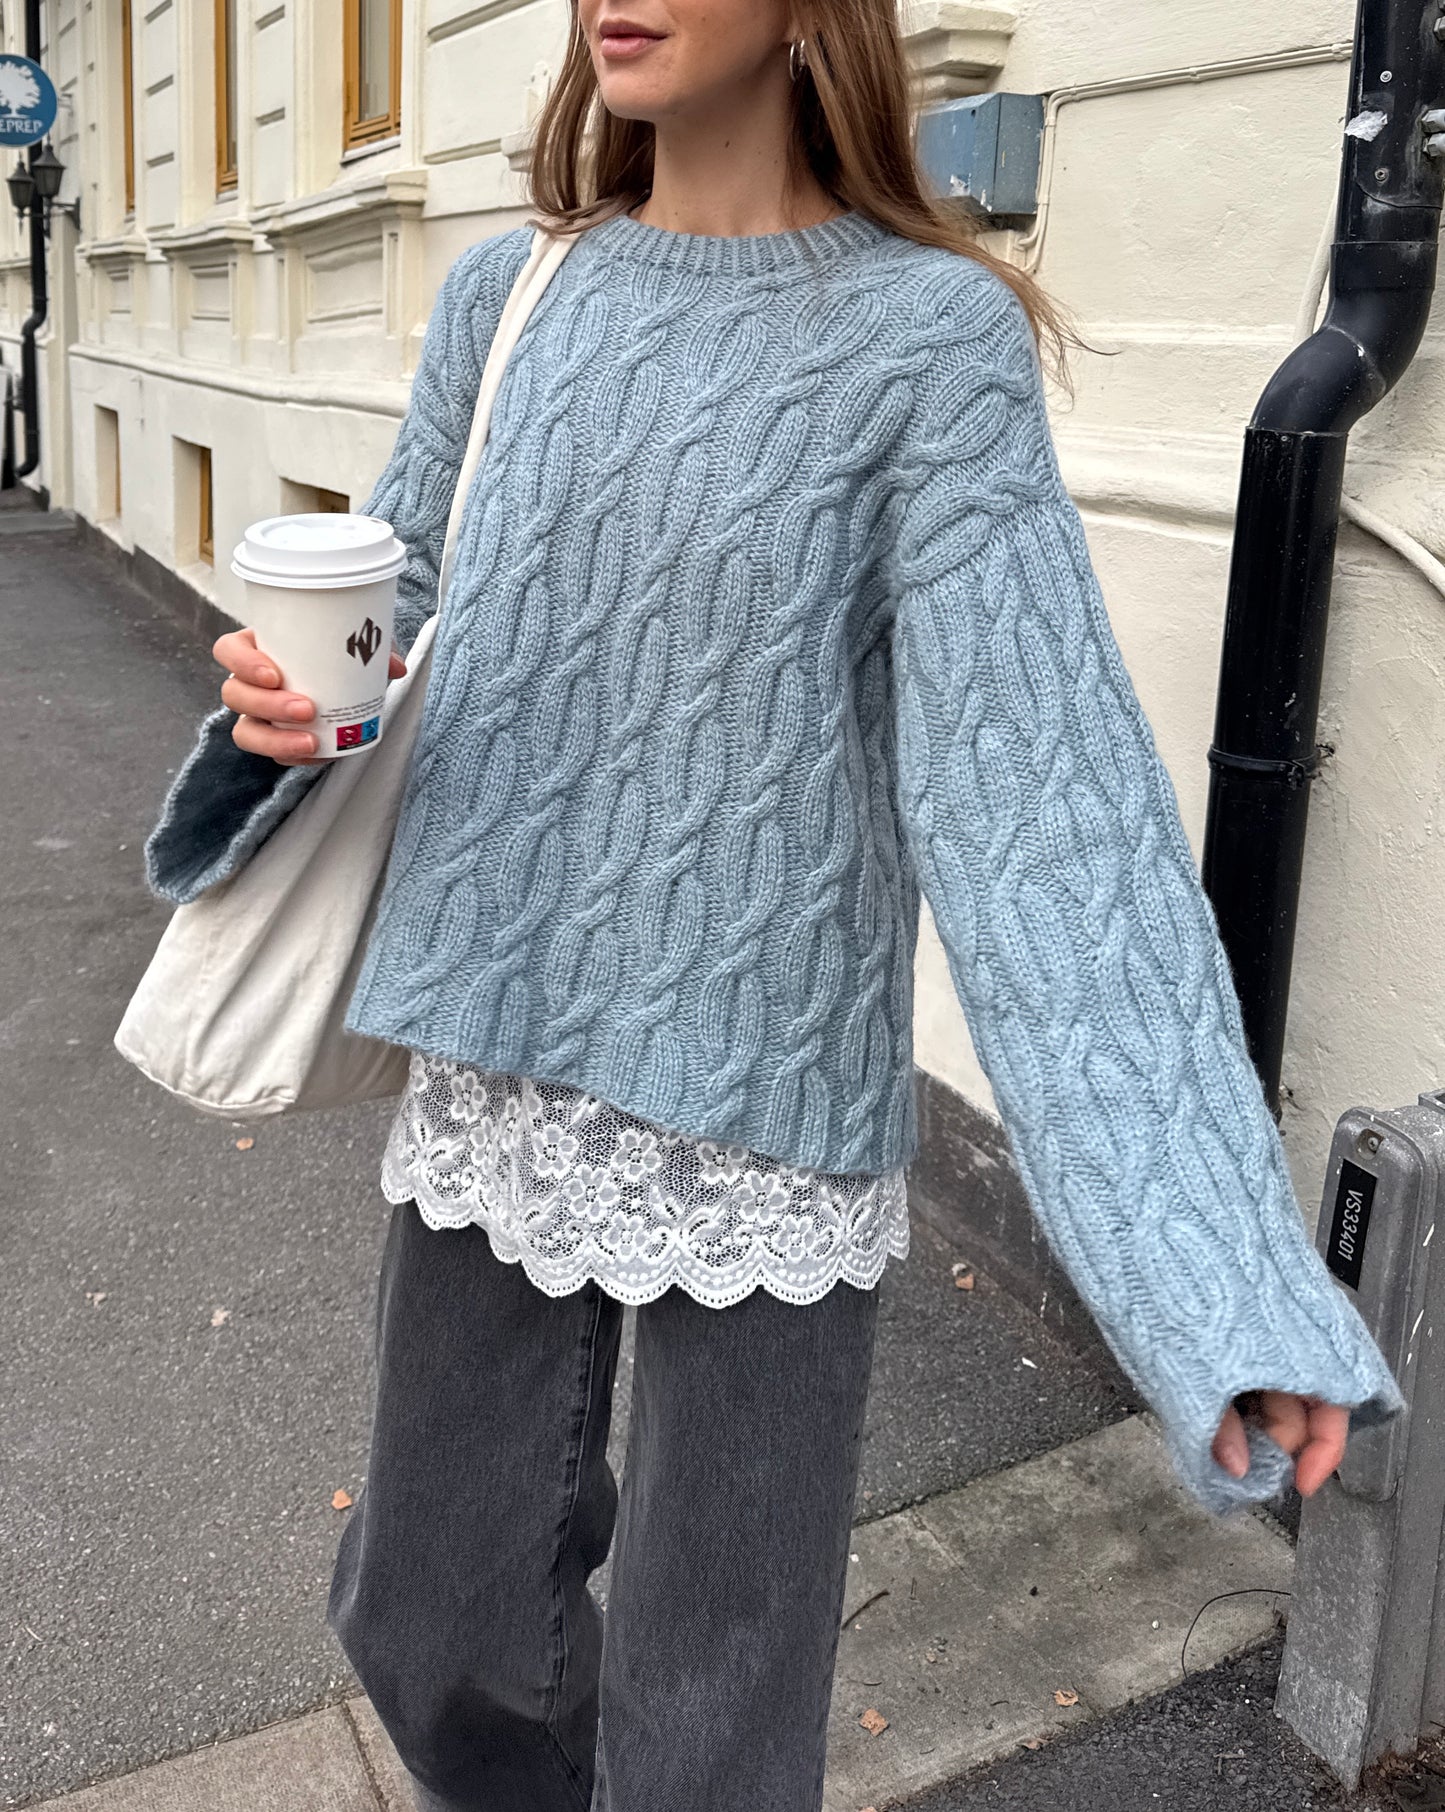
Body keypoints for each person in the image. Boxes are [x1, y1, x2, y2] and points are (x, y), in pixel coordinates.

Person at [142, 2, 1405, 1806]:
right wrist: (287, 703)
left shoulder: (929, 341)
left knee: (711, 1729)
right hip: (497, 1074)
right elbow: (395, 604)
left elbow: (1046, 827)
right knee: (427, 1629)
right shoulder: (512, 302)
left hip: (764, 1118)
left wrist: (1212, 1284)